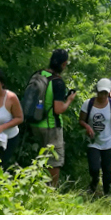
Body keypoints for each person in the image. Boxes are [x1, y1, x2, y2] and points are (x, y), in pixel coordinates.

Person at [30, 49, 77, 187]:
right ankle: (51, 191)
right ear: (64, 64)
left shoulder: (38, 74)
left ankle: (36, 185)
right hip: (51, 126)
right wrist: (69, 100)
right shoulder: (58, 82)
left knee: (38, 157)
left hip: (34, 122)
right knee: (54, 160)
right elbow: (58, 109)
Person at [80, 78, 111, 197]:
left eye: (105, 93)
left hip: (108, 142)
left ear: (108, 92)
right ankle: (94, 183)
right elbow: (81, 120)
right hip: (93, 141)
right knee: (94, 168)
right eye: (101, 92)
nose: (103, 95)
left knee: (106, 170)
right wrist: (87, 127)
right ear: (97, 91)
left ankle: (106, 194)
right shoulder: (88, 104)